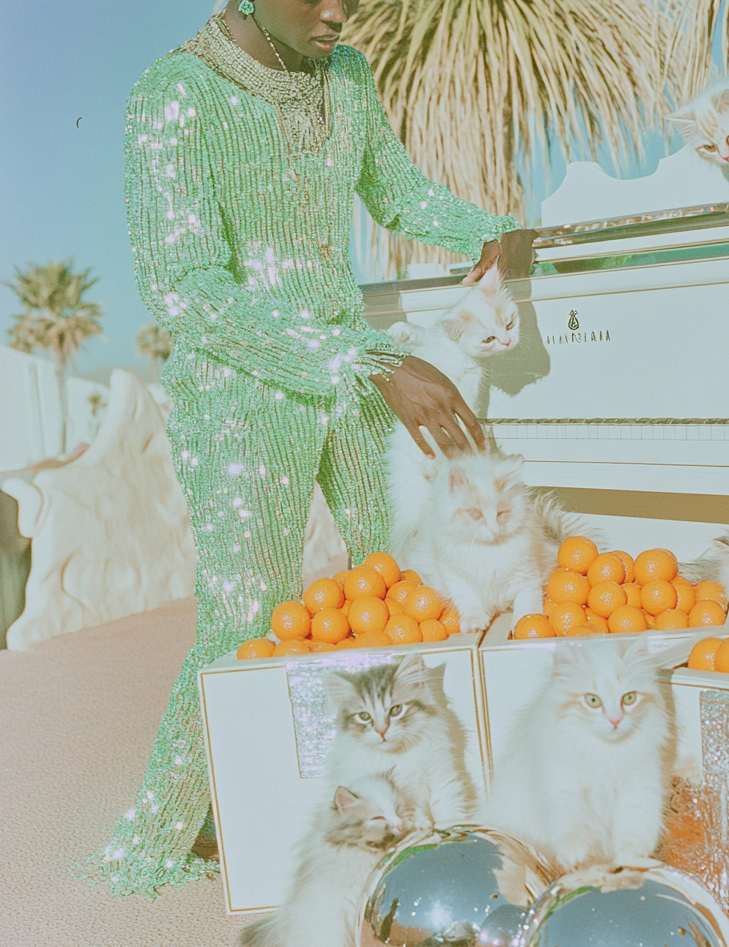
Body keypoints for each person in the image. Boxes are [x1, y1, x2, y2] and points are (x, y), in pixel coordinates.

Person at [83, 0, 519, 898]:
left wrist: (488, 231)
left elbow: (394, 192)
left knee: (405, 583)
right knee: (248, 619)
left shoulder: (347, 77)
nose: (339, 13)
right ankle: (155, 844)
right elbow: (188, 289)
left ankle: (410, 815)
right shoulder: (176, 92)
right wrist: (367, 358)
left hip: (357, 377)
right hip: (242, 396)